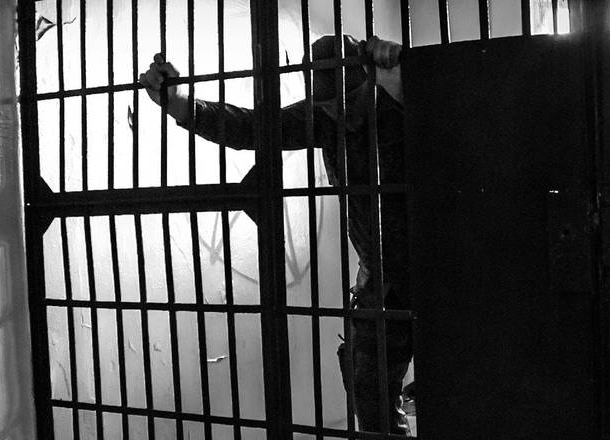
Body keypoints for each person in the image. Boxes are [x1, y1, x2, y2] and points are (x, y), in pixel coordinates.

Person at [140, 35, 413, 434]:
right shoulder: (324, 118)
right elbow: (253, 127)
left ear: (371, 82)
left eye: (349, 101)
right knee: (370, 401)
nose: (340, 113)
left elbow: (463, 124)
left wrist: (409, 82)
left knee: (461, 393)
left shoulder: (403, 103)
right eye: (328, 106)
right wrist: (181, 104)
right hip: (383, 279)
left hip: (445, 265)